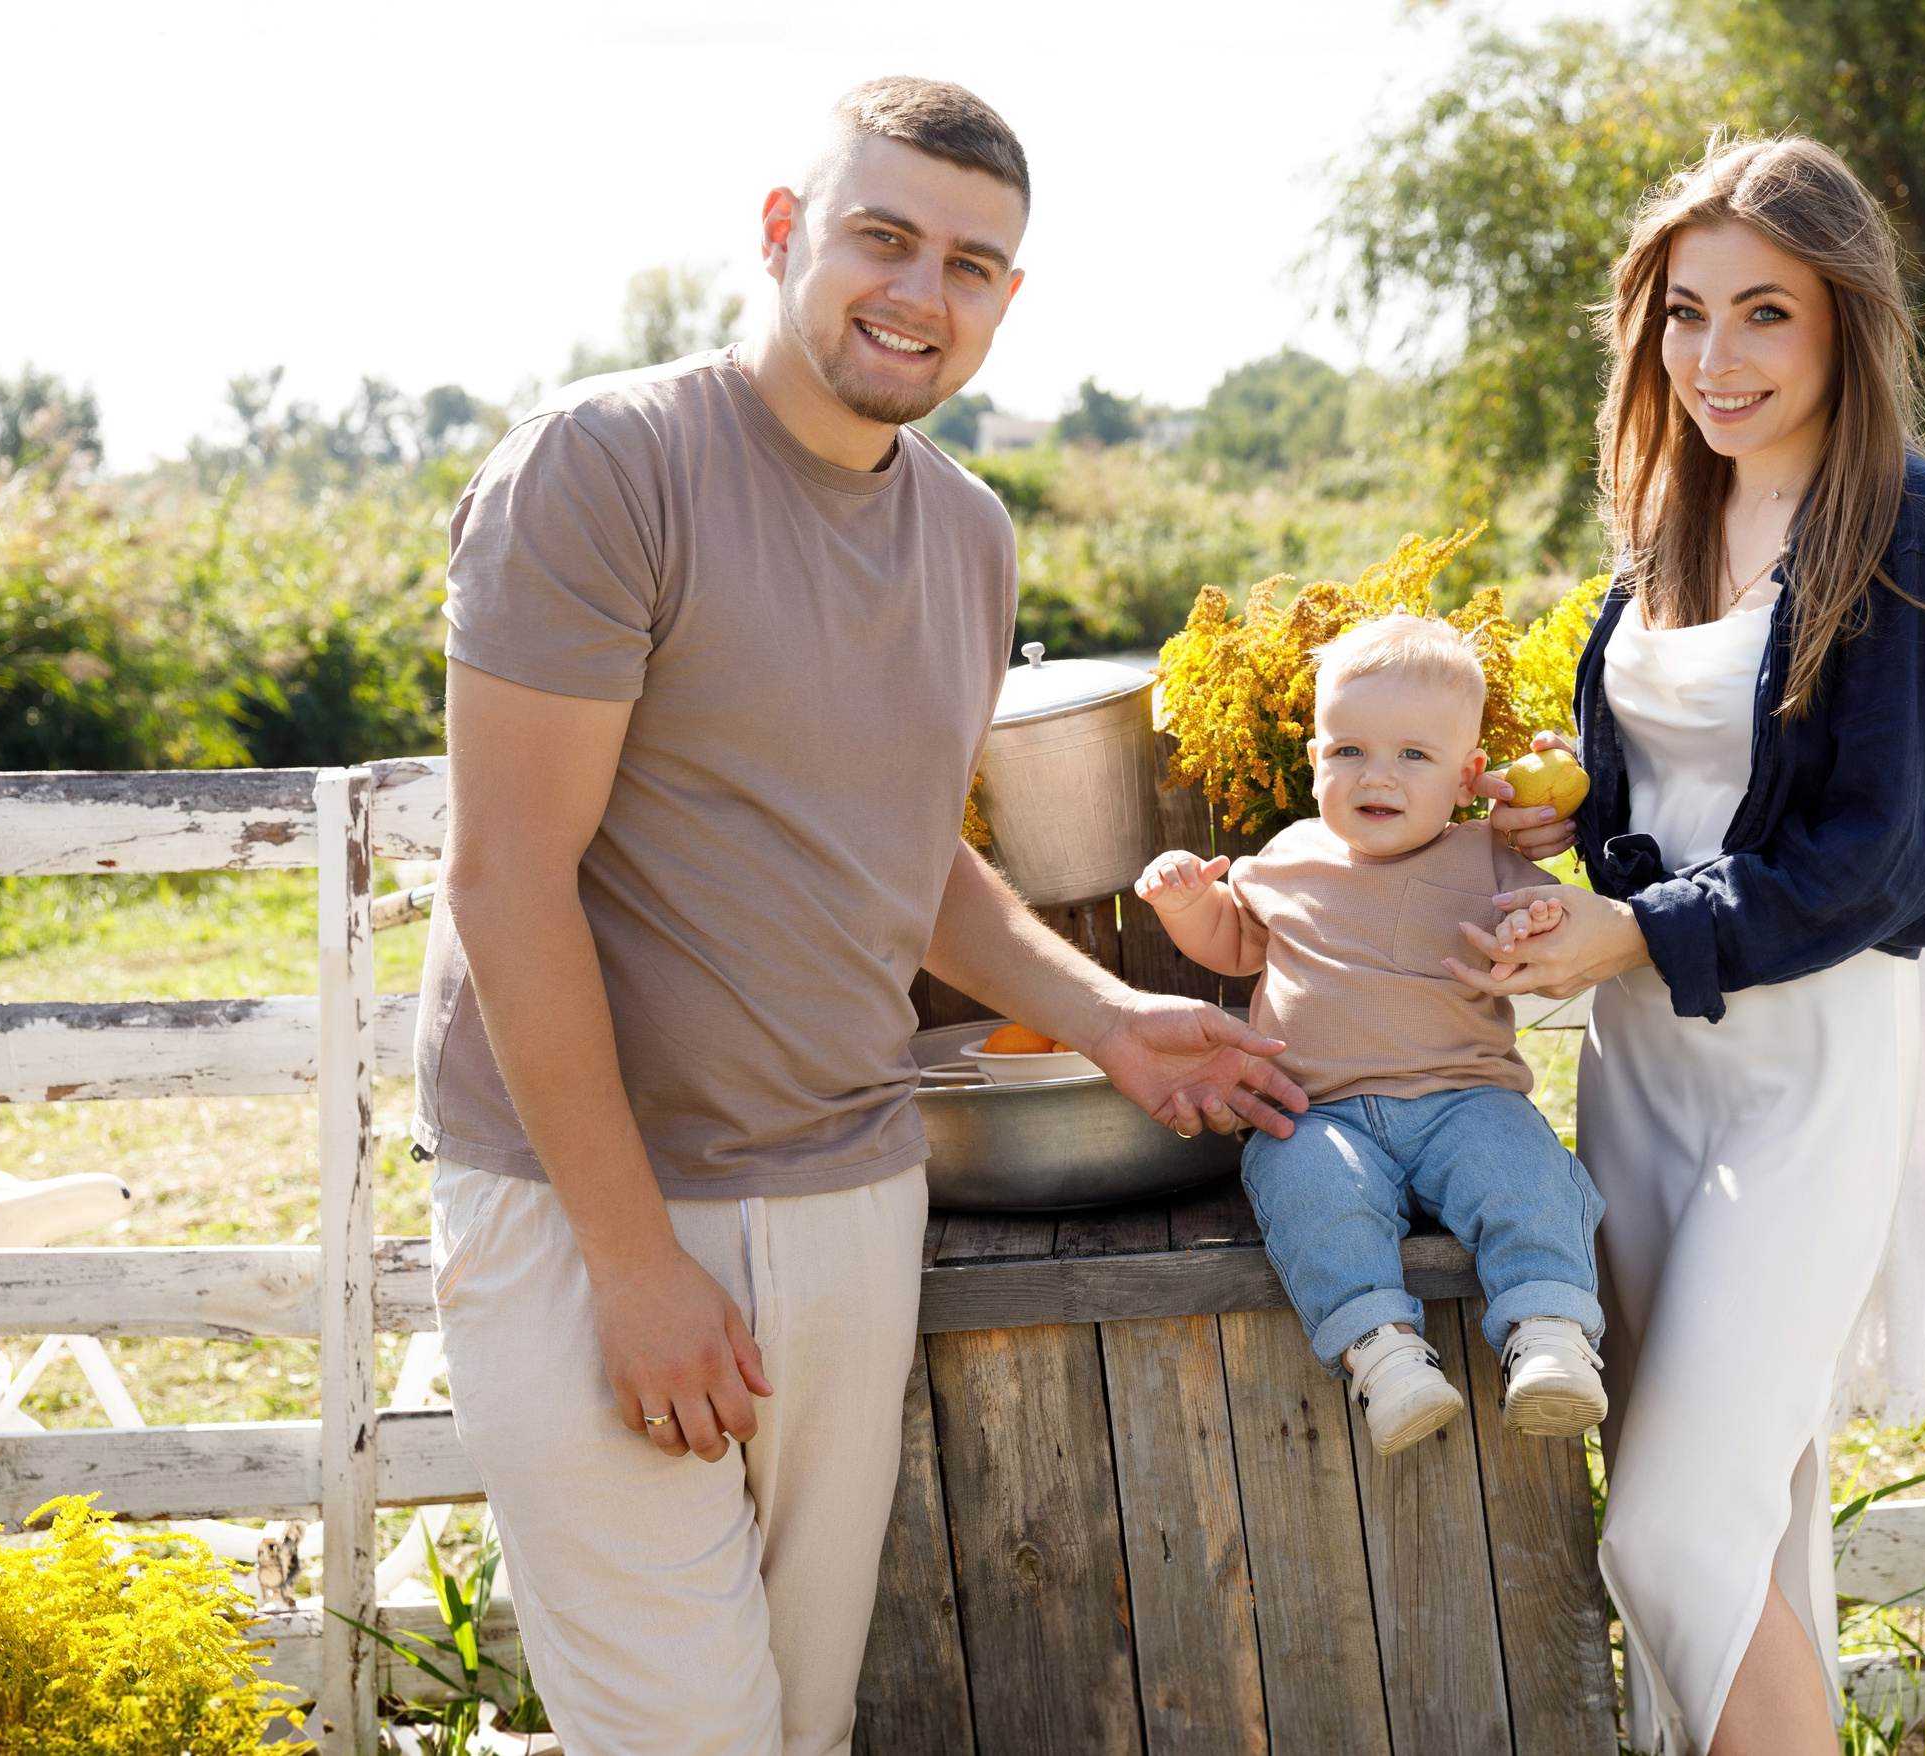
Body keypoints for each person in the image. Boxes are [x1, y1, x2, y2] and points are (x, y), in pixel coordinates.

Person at [413, 78, 1307, 1756]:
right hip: (591, 1205)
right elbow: (506, 874)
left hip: (847, 1193)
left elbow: (905, 857)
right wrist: (630, 1257)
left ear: (1008, 300)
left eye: (971, 264)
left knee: (796, 1726)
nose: (920, 292)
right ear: (782, 234)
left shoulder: (968, 535)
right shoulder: (609, 465)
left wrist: (1110, 1018)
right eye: (881, 237)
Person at [1463, 136, 1925, 1754]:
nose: (1714, 360)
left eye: (1764, 315)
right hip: (1641, 1074)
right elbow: (1702, 783)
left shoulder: (1903, 526)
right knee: (1745, 1516)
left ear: (1845, 321)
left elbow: (1883, 851)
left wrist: (1630, 925)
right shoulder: (1674, 504)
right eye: (1683, 313)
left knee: (1669, 1531)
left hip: (1805, 1080)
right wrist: (1573, 818)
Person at [1136, 614, 1609, 1456]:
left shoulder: (1483, 856)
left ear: (1468, 777)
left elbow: (1551, 921)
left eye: (1412, 757)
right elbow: (1234, 944)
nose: (1375, 775)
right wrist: (1186, 905)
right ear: (1316, 757)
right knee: (1308, 1189)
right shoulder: (1286, 858)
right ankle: (1383, 1355)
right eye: (1348, 750)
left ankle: (1549, 1335)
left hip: (1464, 1099)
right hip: (1319, 1112)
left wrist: (1535, 920)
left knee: (1527, 1174)